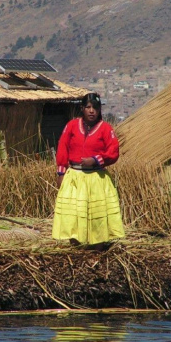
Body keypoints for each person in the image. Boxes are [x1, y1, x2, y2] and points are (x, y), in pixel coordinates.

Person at [52, 92, 125, 246]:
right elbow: (63, 147)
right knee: (73, 213)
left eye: (95, 108)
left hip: (96, 178)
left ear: (100, 110)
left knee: (96, 214)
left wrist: (95, 160)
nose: (92, 111)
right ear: (82, 108)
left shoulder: (105, 129)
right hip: (75, 177)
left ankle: (97, 245)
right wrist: (61, 172)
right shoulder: (72, 126)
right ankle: (75, 244)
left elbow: (113, 151)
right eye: (88, 107)